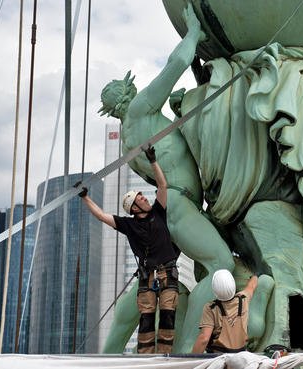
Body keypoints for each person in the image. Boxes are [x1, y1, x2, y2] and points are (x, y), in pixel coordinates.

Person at [96, 3, 240, 353]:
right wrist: (192, 33)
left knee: (150, 282)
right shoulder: (140, 109)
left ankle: (109, 353)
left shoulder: (128, 136)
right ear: (127, 94)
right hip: (178, 201)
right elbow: (174, 66)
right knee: (221, 265)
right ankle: (186, 350)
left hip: (173, 206)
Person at [78, 146, 179, 354]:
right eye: (140, 198)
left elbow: (162, 185)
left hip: (167, 273)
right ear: (134, 208)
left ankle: (165, 357)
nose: (145, 198)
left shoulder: (158, 213)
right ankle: (145, 359)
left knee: (168, 317)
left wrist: (153, 161)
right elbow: (101, 216)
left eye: (143, 196)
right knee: (147, 319)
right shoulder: (128, 225)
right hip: (148, 277)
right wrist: (85, 198)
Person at [191, 269, 258, 353]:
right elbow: (251, 286)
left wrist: (191, 358)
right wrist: (254, 276)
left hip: (219, 357)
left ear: (214, 288)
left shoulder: (211, 307)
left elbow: (204, 338)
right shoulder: (243, 299)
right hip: (240, 355)